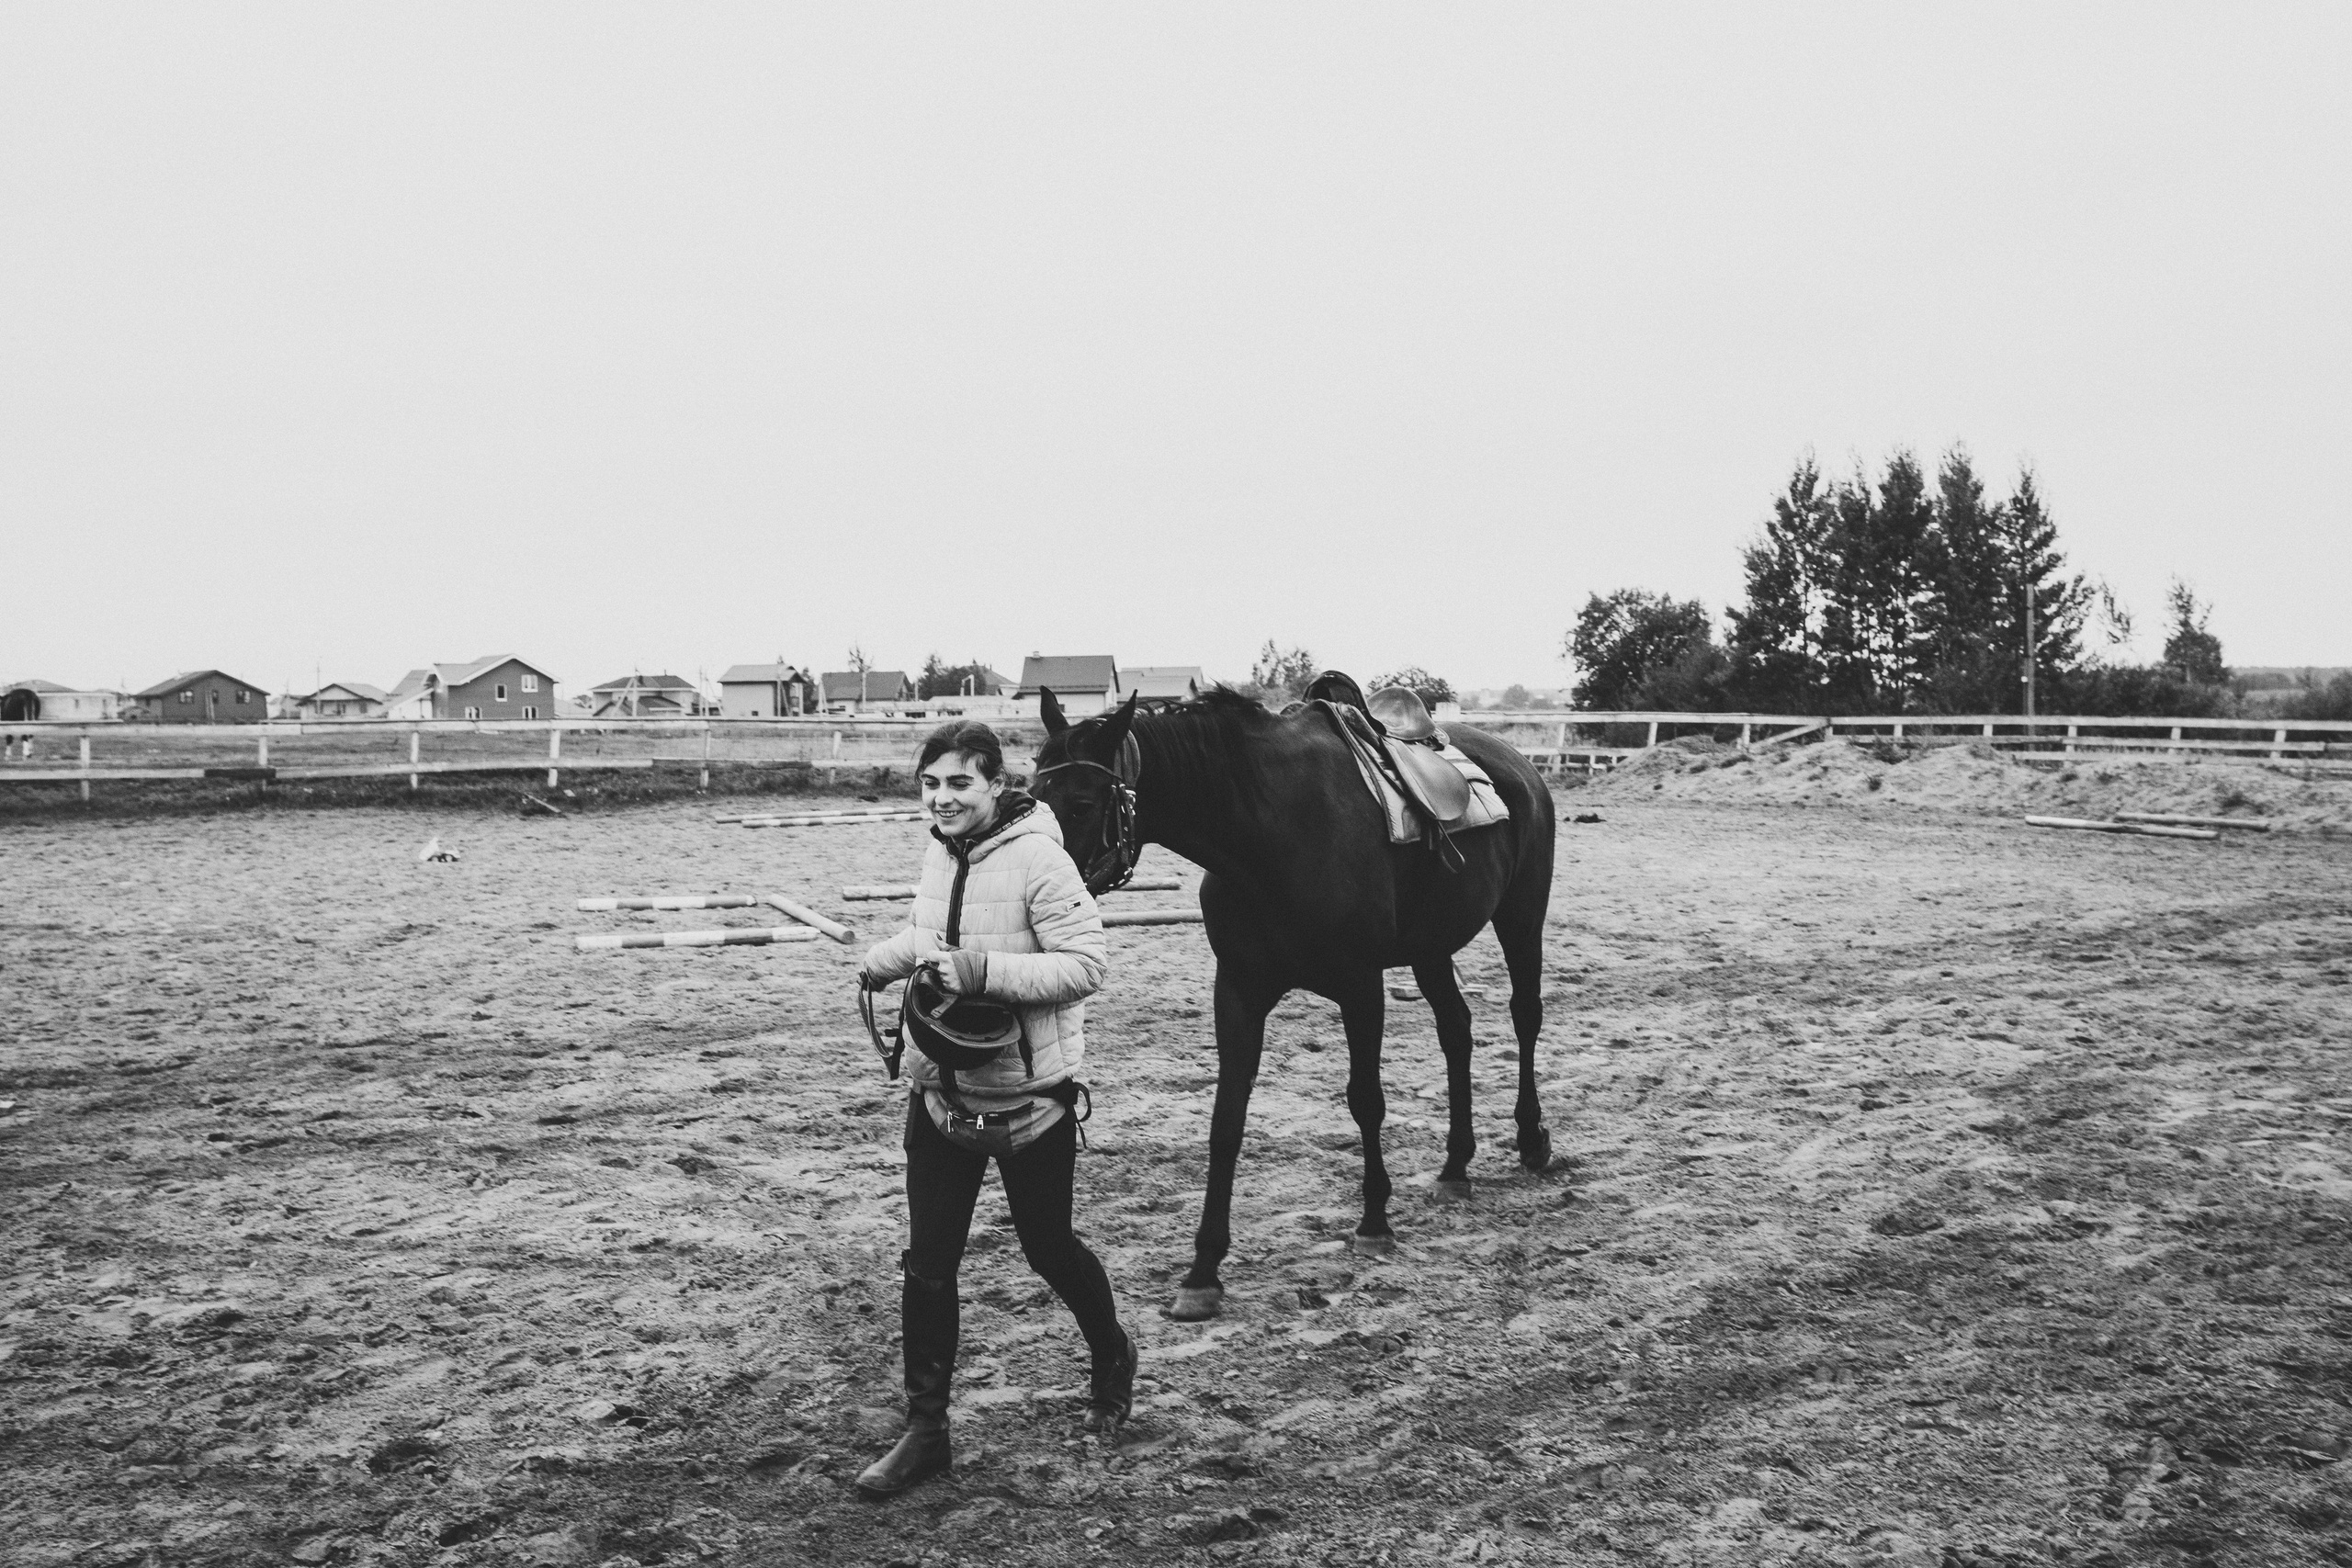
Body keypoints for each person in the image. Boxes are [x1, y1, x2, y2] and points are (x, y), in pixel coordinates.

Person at [851, 719, 1136, 1498]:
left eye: (959, 784)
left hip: (1029, 1096)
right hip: (941, 1089)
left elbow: (1086, 964)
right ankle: (925, 1431)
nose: (942, 798)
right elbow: (931, 932)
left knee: (1048, 1249)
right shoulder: (940, 851)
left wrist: (981, 969)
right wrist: (883, 962)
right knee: (928, 1263)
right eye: (931, 784)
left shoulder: (1042, 857)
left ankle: (1112, 1352)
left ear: (995, 783)